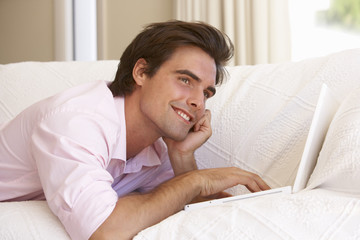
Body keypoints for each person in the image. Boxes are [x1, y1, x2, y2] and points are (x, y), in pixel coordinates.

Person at [0, 20, 270, 240]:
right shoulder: (76, 122)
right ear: (141, 72)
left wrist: (182, 157)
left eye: (207, 92)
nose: (198, 102)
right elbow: (104, 231)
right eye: (185, 80)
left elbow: (191, 208)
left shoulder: (155, 145)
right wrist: (196, 180)